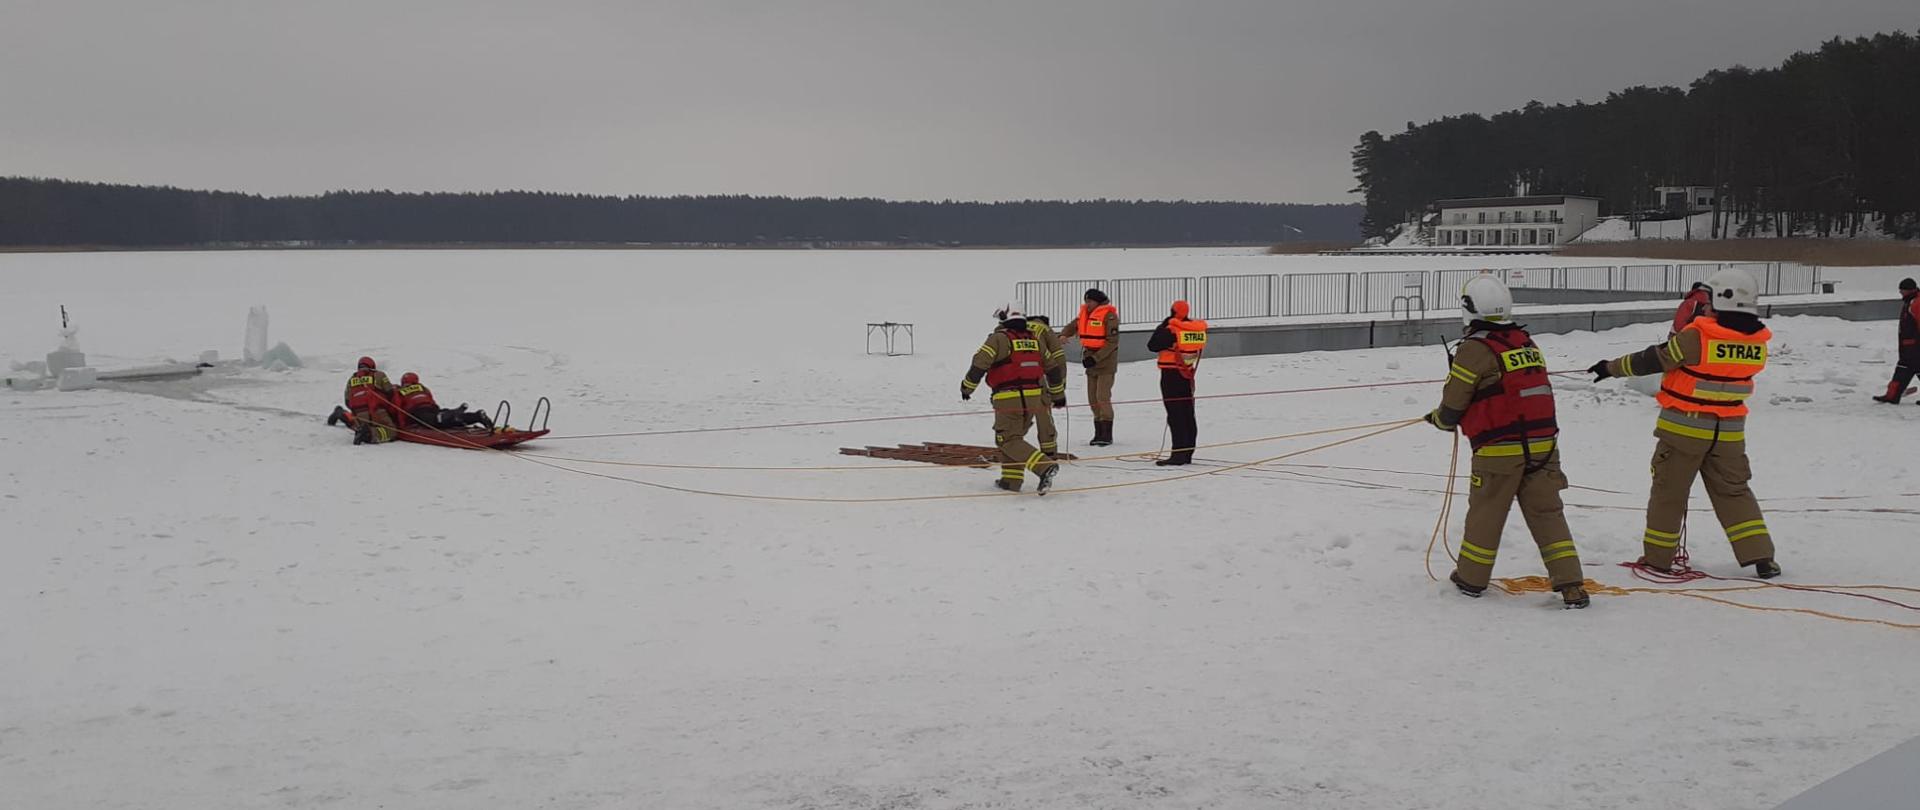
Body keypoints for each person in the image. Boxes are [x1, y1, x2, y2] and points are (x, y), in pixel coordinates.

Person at [1588, 266, 1780, 579]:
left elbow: (1654, 358)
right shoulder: (1758, 343)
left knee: (1669, 494)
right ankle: (1762, 557)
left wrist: (1610, 368)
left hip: (1684, 429)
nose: (1704, 305)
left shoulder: (1698, 336)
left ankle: (1658, 559)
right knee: (1735, 493)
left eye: (1709, 300)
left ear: (1722, 299)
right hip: (1729, 432)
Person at [1424, 276, 1588, 608]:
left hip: (1499, 449)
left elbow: (1454, 403)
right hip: (1543, 448)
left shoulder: (1474, 349)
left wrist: (1440, 420)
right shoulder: (1526, 343)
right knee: (1548, 514)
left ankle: (1471, 579)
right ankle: (1571, 585)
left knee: (1486, 514)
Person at [962, 306, 1061, 493]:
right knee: (1015, 438)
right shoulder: (1034, 340)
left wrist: (967, 387)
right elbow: (1053, 369)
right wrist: (1058, 394)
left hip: (1008, 397)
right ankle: (1011, 481)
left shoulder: (998, 339)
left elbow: (979, 363)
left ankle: (1044, 466)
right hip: (1033, 398)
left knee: (1007, 439)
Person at [1145, 300, 1207, 466]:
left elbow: (1152, 345)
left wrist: (1166, 324)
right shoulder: (1196, 329)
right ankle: (1187, 452)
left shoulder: (1171, 329)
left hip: (1171, 374)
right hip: (1187, 374)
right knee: (1188, 414)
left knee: (1175, 414)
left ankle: (1178, 454)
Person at [1058, 288, 1120, 446]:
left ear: (1098, 302)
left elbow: (1112, 342)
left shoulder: (1109, 316)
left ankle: (1107, 433)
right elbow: (1073, 325)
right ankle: (1098, 431)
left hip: (1105, 361)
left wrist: (1096, 358)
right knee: (1092, 398)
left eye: (1090, 301)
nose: (1088, 304)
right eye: (1086, 301)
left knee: (1102, 397)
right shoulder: (1085, 314)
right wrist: (1064, 334)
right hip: (1090, 360)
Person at [1024, 315, 1070, 457]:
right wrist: (1059, 391)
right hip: (1036, 377)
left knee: (1015, 414)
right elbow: (1058, 360)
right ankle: (1049, 451)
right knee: (1043, 413)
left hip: (1012, 379)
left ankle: (1013, 447)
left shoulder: (1015, 328)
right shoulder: (1045, 330)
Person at [1872, 278, 1920, 404]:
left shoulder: (1915, 303)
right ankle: (1892, 396)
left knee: (1903, 369)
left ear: (1909, 290)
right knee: (1906, 369)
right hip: (1908, 345)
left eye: (1902, 290)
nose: (1900, 293)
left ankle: (1892, 396)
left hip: (1913, 346)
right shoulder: (1910, 301)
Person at [394, 372, 495, 431]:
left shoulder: (400, 391)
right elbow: (431, 399)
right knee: (447, 418)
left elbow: (398, 407)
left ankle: (444, 416)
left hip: (417, 411)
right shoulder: (423, 387)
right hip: (431, 407)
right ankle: (476, 416)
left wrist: (402, 425)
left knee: (434, 421)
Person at [340, 356, 397, 445]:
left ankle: (344, 415)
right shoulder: (379, 375)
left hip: (358, 415)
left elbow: (347, 401)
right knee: (392, 431)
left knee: (360, 424)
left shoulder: (352, 379)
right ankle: (368, 434)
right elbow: (390, 392)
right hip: (376, 411)